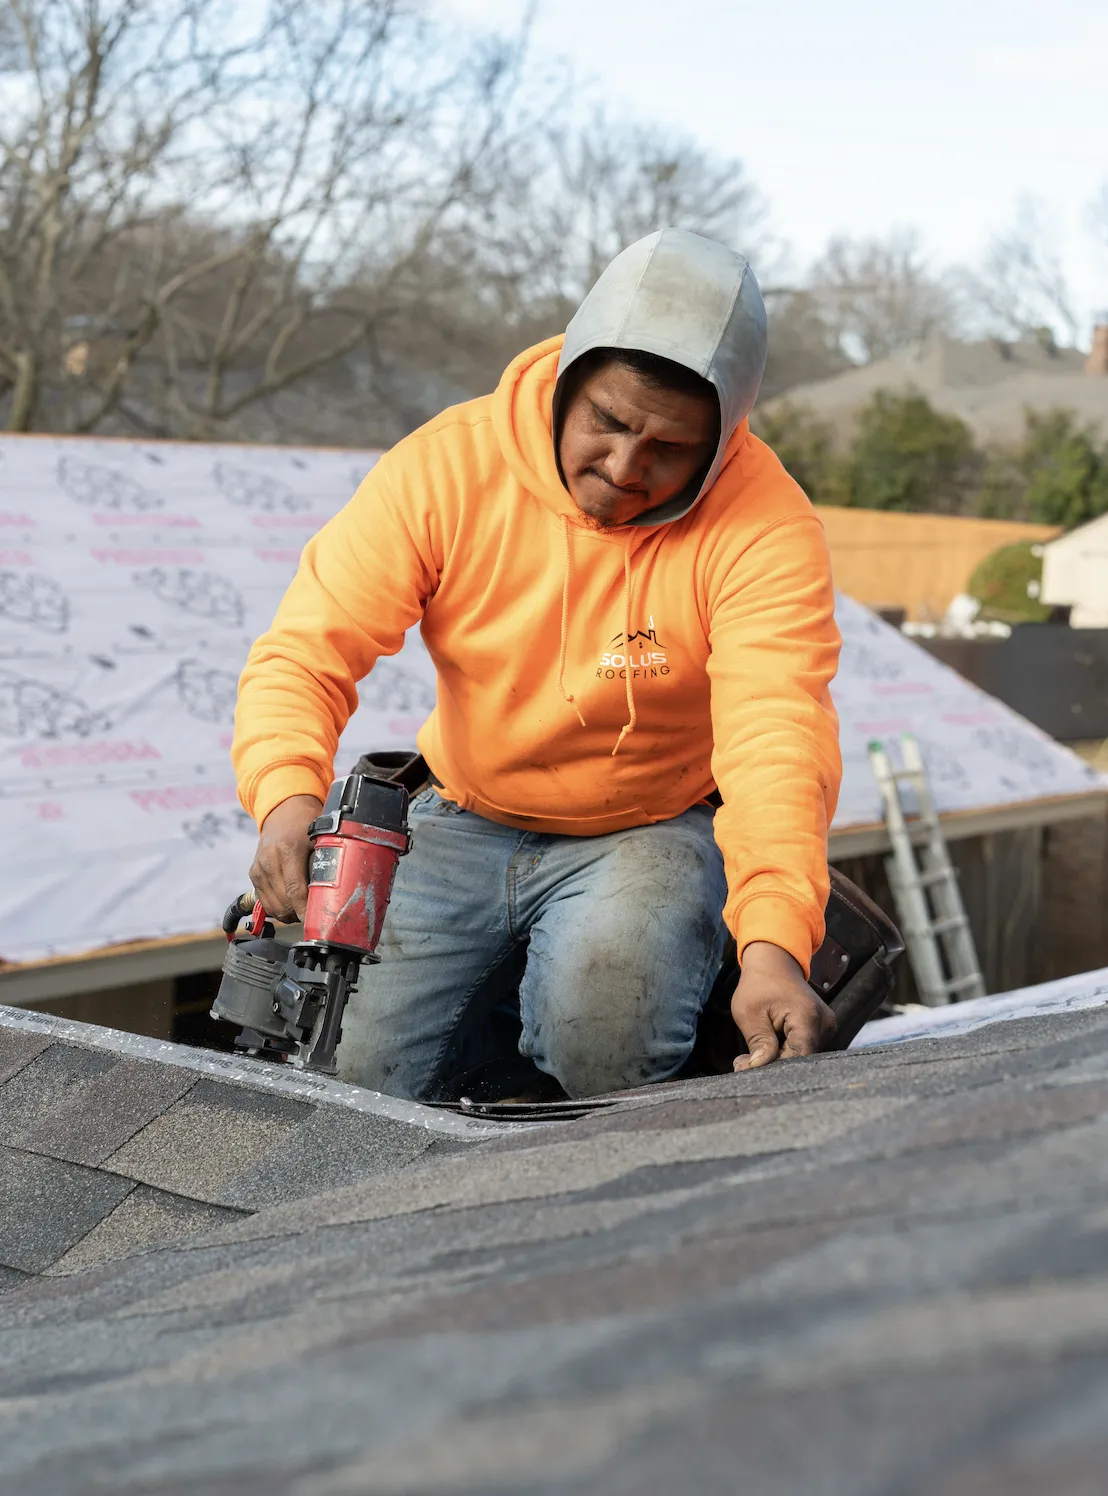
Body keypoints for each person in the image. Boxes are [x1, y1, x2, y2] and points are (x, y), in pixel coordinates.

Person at [233, 227, 842, 1102]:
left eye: (669, 448)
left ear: (723, 440)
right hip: (465, 809)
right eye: (610, 422)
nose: (625, 467)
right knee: (352, 1076)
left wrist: (775, 952)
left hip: (650, 825)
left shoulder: (765, 526)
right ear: (567, 382)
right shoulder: (447, 468)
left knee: (607, 1038)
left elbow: (777, 737)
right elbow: (307, 650)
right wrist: (287, 800)